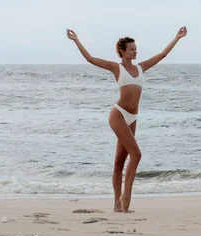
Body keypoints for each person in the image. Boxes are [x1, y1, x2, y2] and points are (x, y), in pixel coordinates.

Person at [66, 27, 188, 212]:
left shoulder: (141, 68)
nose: (135, 51)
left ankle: (117, 205)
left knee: (119, 163)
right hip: (119, 115)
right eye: (132, 49)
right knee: (136, 155)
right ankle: (126, 197)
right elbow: (90, 59)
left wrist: (177, 37)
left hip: (132, 118)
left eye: (135, 48)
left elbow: (162, 55)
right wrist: (76, 40)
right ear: (123, 51)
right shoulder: (117, 68)